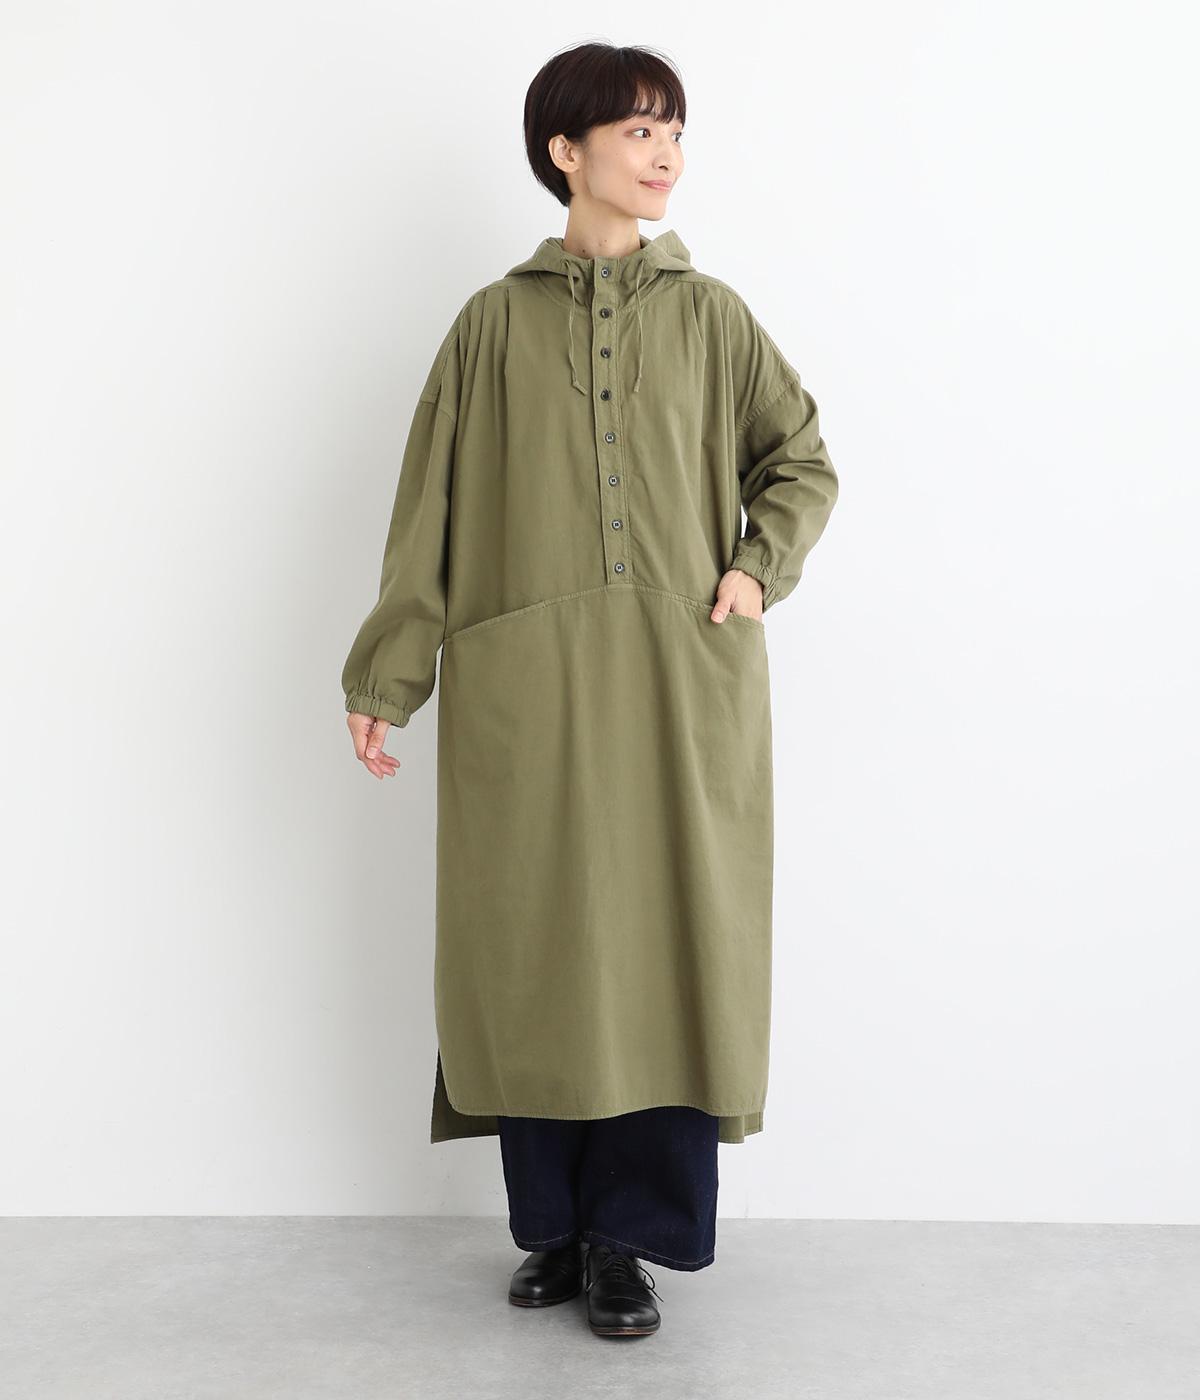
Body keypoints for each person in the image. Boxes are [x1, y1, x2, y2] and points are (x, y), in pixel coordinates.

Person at [340, 42, 838, 1340]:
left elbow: (800, 461)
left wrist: (754, 572)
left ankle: (632, 1239)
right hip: (530, 688)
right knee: (540, 943)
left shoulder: (712, 317)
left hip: (681, 683)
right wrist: (389, 673)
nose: (665, 153)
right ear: (566, 152)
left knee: (670, 944)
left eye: (674, 131)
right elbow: (430, 512)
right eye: (637, 130)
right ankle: (555, 1228)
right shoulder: (491, 326)